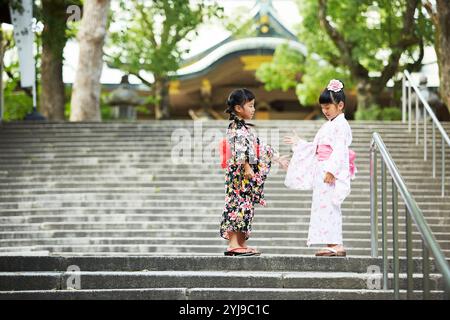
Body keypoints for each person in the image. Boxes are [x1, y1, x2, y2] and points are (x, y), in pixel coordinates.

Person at [283, 79, 356, 257]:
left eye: (328, 107)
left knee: (330, 206)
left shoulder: (341, 125)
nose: (324, 111)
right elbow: (316, 146)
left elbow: (340, 150)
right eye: (323, 108)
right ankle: (332, 242)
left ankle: (336, 243)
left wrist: (332, 170)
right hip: (323, 170)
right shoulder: (331, 124)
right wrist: (300, 143)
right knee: (324, 207)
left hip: (329, 170)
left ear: (340, 105)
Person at [219, 88, 288, 256]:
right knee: (237, 206)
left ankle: (240, 243)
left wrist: (277, 157)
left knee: (246, 208)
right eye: (250, 106)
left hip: (245, 178)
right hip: (239, 177)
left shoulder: (246, 129)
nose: (253, 109)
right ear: (238, 108)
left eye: (253, 105)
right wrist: (247, 167)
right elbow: (238, 149)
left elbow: (260, 146)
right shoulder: (235, 128)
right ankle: (233, 244)